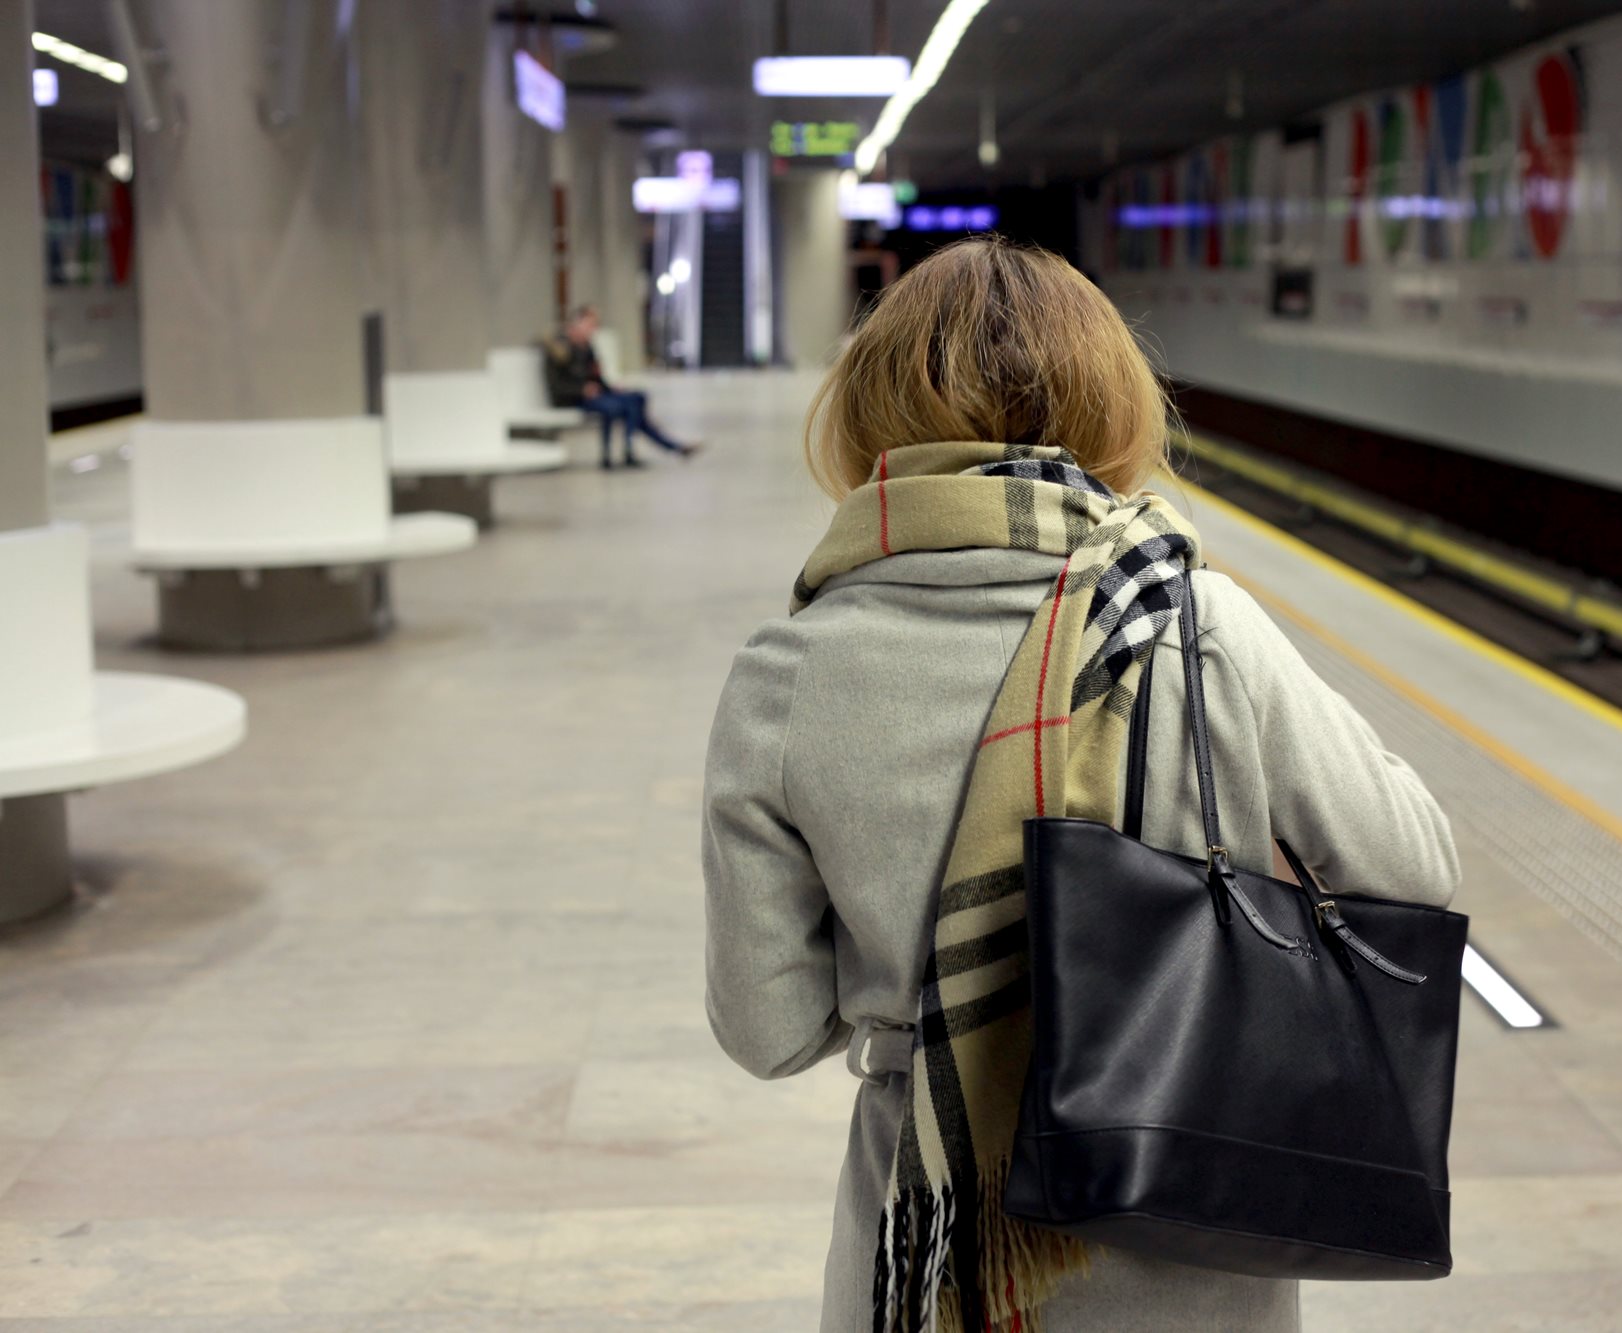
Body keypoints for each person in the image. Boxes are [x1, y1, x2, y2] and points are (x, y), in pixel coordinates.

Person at [701, 238, 1459, 1333]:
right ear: (1112, 403)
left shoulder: (786, 671)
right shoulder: (1195, 623)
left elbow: (766, 1029)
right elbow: (1413, 864)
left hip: (923, 1251)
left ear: (865, 413)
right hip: (1188, 1227)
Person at [542, 306, 702, 469]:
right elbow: (556, 386)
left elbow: (595, 377)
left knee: (637, 398)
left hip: (595, 394)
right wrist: (582, 390)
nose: (593, 330)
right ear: (576, 324)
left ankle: (637, 449)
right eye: (590, 325)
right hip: (573, 399)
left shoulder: (586, 347)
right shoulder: (558, 349)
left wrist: (610, 388)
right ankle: (626, 452)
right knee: (618, 408)